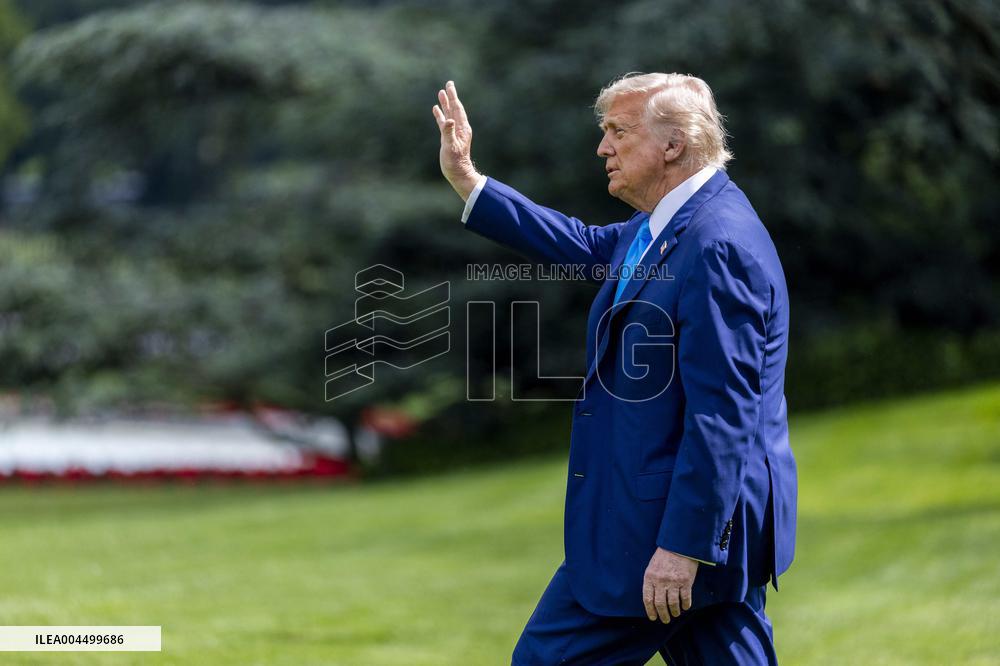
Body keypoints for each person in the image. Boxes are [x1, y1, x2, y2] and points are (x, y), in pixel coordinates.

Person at [433, 73, 797, 665]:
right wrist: (469, 182)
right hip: (695, 527)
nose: (603, 148)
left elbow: (724, 414)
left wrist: (682, 548)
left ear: (673, 144)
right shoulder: (664, 222)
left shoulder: (716, 243)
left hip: (666, 534)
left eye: (617, 132)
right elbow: (582, 244)